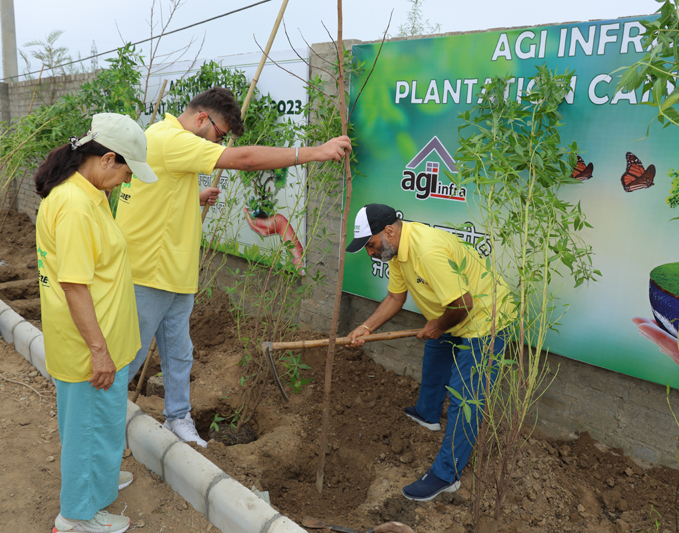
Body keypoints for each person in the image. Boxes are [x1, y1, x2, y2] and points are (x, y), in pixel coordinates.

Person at [116, 87, 351, 447]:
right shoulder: (171, 139)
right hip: (150, 273)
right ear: (200, 119)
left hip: (175, 273)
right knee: (127, 361)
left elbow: (157, 191)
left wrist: (192, 198)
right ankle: (101, 428)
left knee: (179, 354)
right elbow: (243, 159)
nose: (219, 143)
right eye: (219, 135)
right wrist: (315, 152)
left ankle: (177, 417)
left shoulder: (164, 140)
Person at [34, 113, 158, 533]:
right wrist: (99, 350)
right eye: (126, 170)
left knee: (102, 423)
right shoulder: (73, 206)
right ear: (107, 159)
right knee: (87, 430)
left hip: (107, 336)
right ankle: (74, 517)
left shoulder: (90, 195)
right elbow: (73, 285)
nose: (126, 181)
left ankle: (99, 483)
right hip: (89, 344)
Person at [346, 204, 513, 502]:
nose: (371, 253)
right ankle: (428, 413)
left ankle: (447, 475)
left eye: (370, 245)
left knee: (466, 398)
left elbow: (464, 303)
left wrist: (437, 324)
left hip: (486, 320)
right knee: (436, 354)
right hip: (455, 313)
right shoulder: (397, 250)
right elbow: (396, 297)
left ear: (388, 231)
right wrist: (366, 328)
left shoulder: (427, 251)